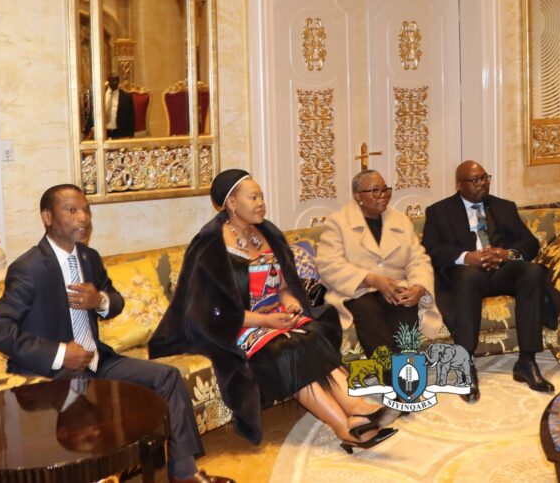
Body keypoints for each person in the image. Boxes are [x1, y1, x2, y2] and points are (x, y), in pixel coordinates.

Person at [0, 184, 229, 483]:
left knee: (167, 377)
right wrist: (60, 353)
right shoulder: (30, 268)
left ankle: (185, 473)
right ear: (47, 217)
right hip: (52, 374)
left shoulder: (89, 258)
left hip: (99, 362)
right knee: (86, 404)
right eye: (71, 211)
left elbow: (116, 301)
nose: (83, 218)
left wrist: (99, 300)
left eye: (86, 210)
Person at [148, 169, 398, 453]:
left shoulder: (266, 233)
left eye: (262, 197)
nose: (261, 203)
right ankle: (345, 425)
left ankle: (354, 410)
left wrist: (289, 300)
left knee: (312, 333)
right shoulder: (210, 247)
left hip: (276, 319)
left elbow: (282, 285)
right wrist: (267, 320)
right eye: (253, 197)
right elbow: (211, 314)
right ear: (231, 203)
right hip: (234, 330)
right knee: (287, 349)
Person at [421, 160, 560, 401]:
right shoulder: (439, 211)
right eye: (476, 180)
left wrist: (507, 254)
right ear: (460, 184)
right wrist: (466, 257)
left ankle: (526, 361)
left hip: (501, 271)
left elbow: (530, 244)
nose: (483, 184)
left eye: (485, 178)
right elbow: (431, 250)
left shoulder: (504, 207)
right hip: (468, 275)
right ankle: (466, 366)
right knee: (467, 277)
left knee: (533, 272)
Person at [316, 169, 442, 361]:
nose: (383, 196)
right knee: (368, 311)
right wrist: (371, 279)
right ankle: (389, 373)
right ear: (358, 196)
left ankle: (406, 370)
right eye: (375, 191)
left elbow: (418, 259)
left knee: (405, 305)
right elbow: (328, 265)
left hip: (395, 287)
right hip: (356, 291)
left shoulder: (401, 220)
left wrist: (419, 286)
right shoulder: (338, 223)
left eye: (385, 190)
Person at [104, 74, 134, 139]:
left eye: (116, 81)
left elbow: (131, 117)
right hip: (104, 132)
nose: (114, 83)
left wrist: (130, 135)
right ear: (108, 82)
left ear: (118, 81)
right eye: (112, 81)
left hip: (120, 132)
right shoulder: (101, 96)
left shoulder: (126, 97)